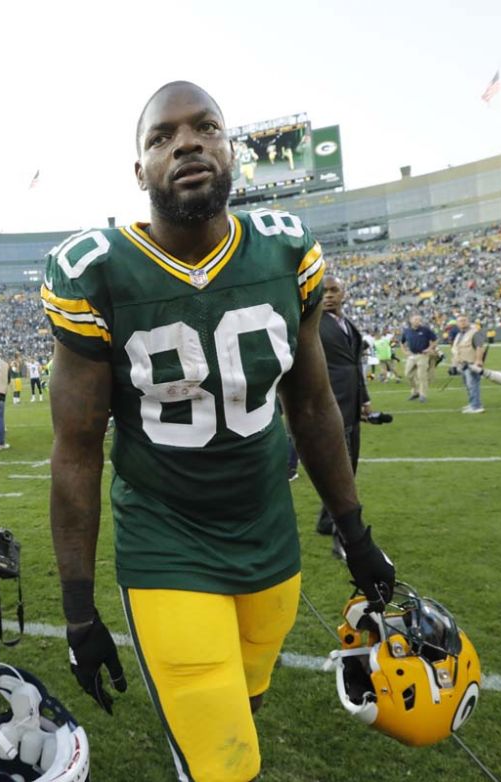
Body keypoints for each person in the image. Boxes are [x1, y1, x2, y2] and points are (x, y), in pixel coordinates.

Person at [42, 81, 395, 782]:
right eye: (161, 136)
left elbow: (316, 405)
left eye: (204, 127)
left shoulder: (283, 248)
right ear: (138, 171)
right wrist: (79, 611)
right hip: (167, 542)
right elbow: (77, 449)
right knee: (225, 766)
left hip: (270, 539)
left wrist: (357, 536)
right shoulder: (96, 271)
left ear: (231, 150)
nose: (186, 142)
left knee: (246, 703)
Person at [314, 276, 375, 552]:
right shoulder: (312, 324)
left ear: (343, 293)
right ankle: (343, 534)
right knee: (342, 470)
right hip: (329, 406)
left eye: (333, 290)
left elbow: (353, 365)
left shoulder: (347, 324)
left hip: (350, 404)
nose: (328, 296)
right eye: (323, 291)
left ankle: (327, 520)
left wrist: (364, 399)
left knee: (350, 465)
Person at [451, 314, 487, 414]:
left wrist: (479, 361)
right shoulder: (459, 335)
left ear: (468, 321)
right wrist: (454, 364)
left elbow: (480, 347)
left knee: (473, 385)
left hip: (471, 363)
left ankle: (476, 406)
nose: (462, 322)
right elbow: (456, 350)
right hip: (462, 364)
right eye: (460, 321)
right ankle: (473, 403)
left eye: (464, 320)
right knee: (468, 385)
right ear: (457, 324)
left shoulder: (474, 333)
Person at [401, 313, 437, 402]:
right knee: (408, 374)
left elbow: (435, 340)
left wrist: (429, 348)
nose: (418, 321)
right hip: (412, 355)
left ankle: (423, 395)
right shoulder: (407, 331)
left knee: (422, 376)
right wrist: (404, 351)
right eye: (416, 319)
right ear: (411, 320)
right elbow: (402, 342)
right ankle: (415, 392)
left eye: (419, 319)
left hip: (422, 355)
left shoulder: (425, 330)